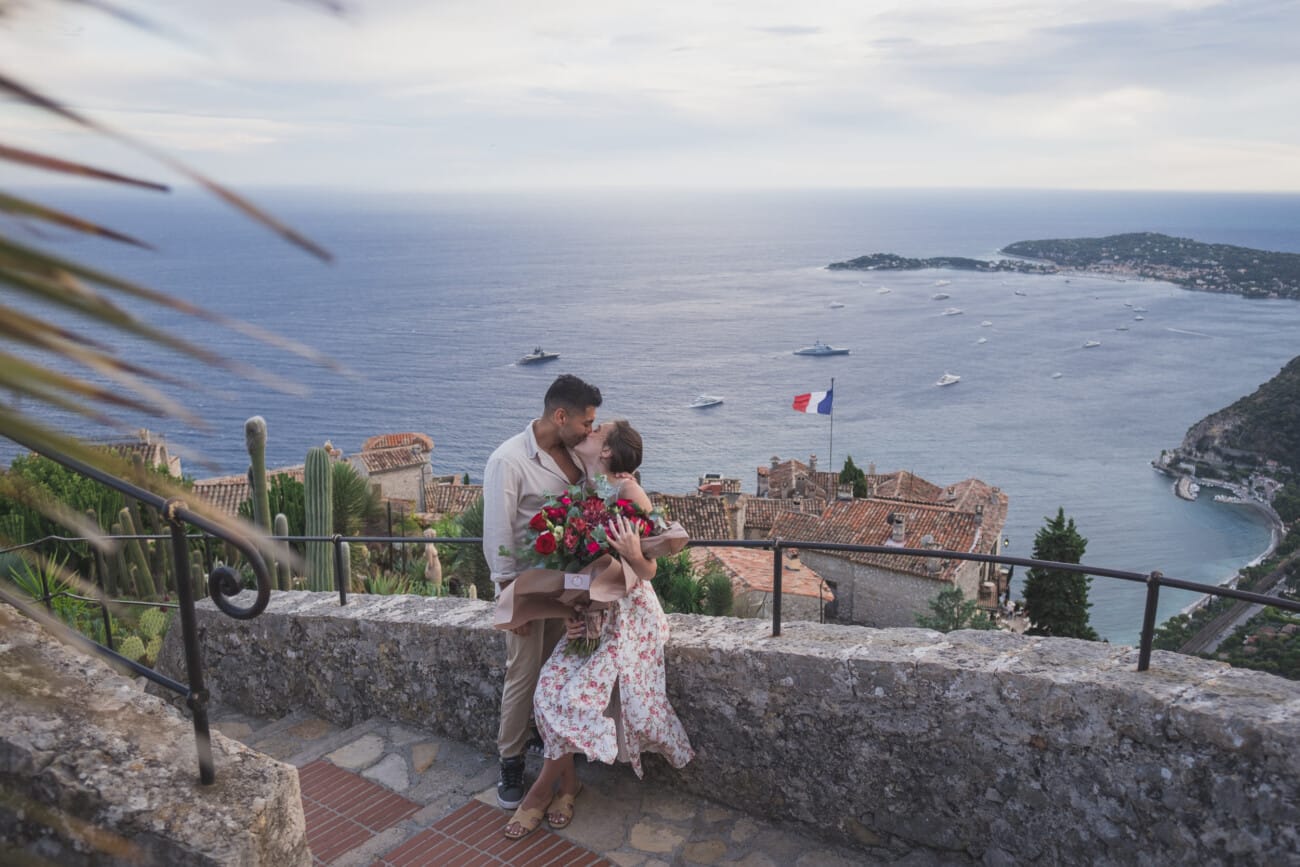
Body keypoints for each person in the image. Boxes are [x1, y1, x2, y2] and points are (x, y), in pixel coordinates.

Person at [503, 420, 694, 840]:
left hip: (628, 618)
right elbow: (577, 565)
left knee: (575, 699)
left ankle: (539, 793)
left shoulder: (629, 490)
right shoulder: (585, 486)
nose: (589, 431)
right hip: (591, 615)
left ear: (606, 451)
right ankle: (568, 784)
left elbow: (650, 567)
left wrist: (631, 552)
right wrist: (572, 609)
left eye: (596, 431)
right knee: (547, 692)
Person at [483, 374, 603, 810]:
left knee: (560, 670)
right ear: (560, 415)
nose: (591, 429)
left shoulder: (576, 453)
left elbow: (597, 497)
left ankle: (546, 739)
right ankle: (510, 761)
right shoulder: (509, 461)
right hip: (529, 591)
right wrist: (510, 605)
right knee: (523, 674)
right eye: (587, 421)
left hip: (570, 585)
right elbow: (498, 535)